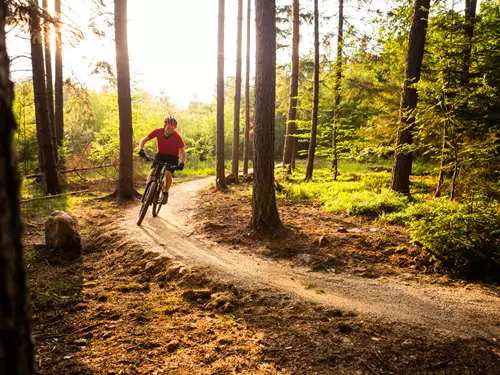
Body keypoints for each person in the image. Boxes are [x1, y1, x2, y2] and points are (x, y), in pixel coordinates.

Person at [138, 116, 187, 204]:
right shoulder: (158, 131)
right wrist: (141, 149)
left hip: (173, 157)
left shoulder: (177, 137)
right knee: (153, 171)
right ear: (164, 125)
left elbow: (183, 152)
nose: (170, 130)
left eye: (173, 128)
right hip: (161, 155)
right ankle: (148, 190)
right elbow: (143, 140)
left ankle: (165, 193)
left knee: (168, 174)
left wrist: (182, 163)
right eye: (169, 127)